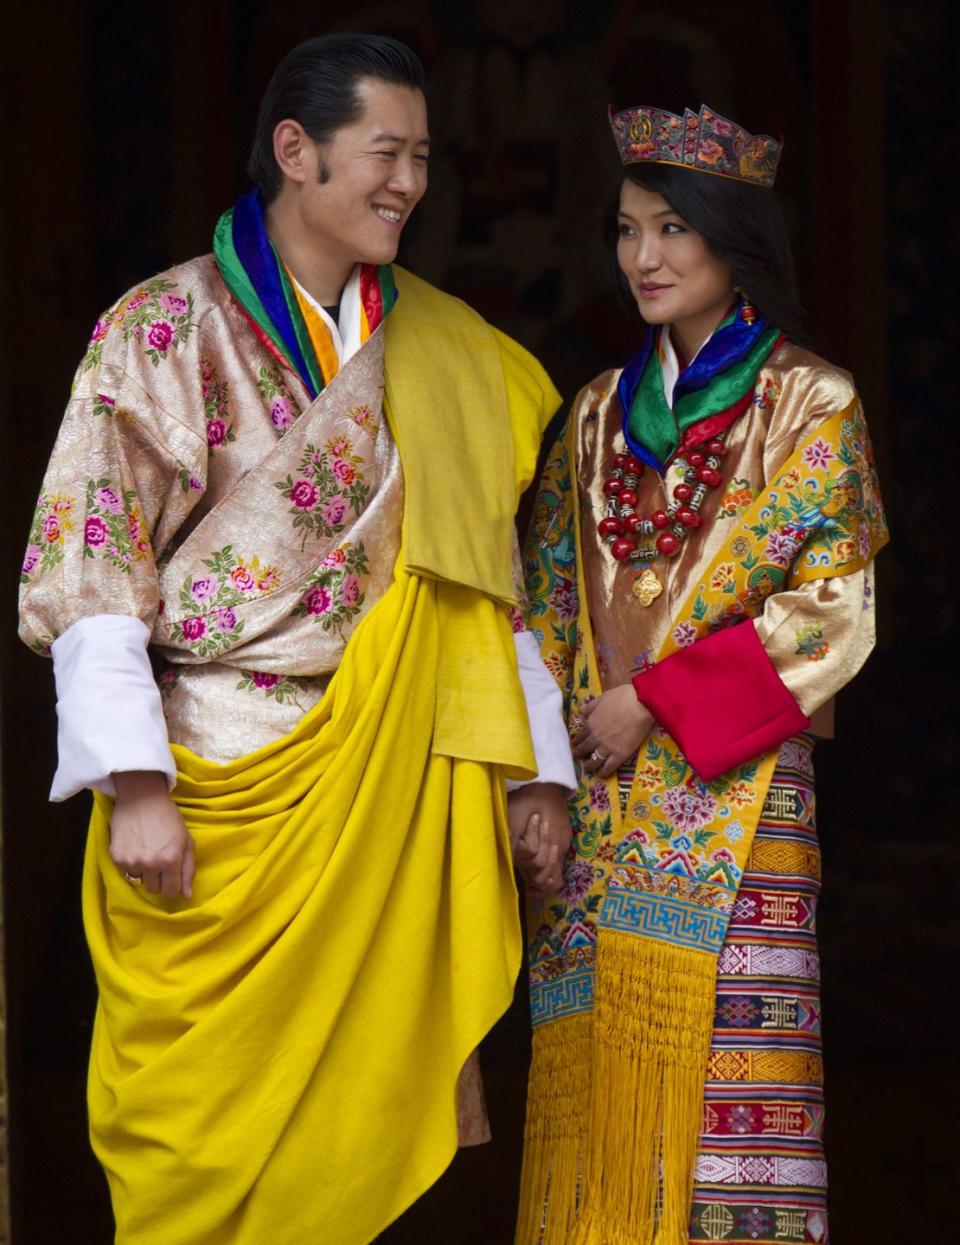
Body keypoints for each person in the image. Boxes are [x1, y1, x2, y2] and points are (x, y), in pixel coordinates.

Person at [18, 33, 575, 1245]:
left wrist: (537, 771)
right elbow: (92, 563)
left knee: (362, 1136)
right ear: (296, 152)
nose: (409, 184)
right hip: (212, 787)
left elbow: (484, 584)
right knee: (195, 1138)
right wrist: (136, 783)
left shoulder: (449, 353)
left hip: (386, 784)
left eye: (422, 158)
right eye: (387, 152)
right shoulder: (160, 327)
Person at [514, 103, 888, 1245]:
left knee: (736, 1114)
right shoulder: (589, 419)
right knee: (592, 1124)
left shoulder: (811, 402)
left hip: (740, 798)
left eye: (675, 229)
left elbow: (835, 615)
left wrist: (656, 701)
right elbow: (541, 606)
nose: (646, 258)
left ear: (735, 240)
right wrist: (543, 776)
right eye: (628, 231)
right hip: (599, 805)